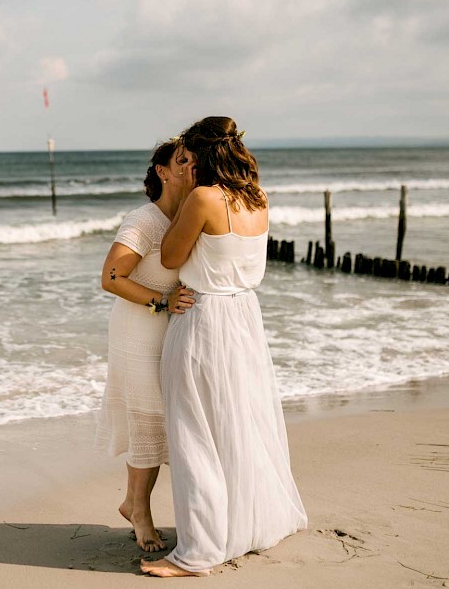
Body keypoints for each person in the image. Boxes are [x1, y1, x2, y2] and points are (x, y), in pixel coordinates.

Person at [141, 117, 307, 578]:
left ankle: (198, 551)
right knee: (240, 422)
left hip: (203, 316)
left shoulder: (203, 198)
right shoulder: (257, 196)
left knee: (194, 430)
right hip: (245, 318)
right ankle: (243, 526)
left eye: (189, 156)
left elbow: (172, 257)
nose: (186, 163)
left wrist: (184, 199)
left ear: (201, 157)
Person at [95, 139, 197, 553]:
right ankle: (139, 510)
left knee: (161, 420)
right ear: (162, 171)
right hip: (137, 330)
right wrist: (162, 301)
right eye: (182, 161)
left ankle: (133, 503)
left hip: (170, 330)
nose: (192, 167)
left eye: (195, 161)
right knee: (148, 418)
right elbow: (111, 278)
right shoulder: (145, 219)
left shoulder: (192, 214)